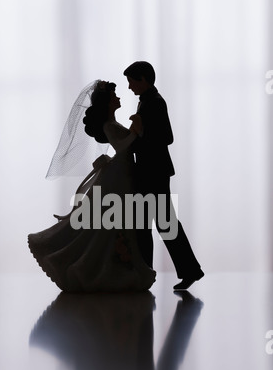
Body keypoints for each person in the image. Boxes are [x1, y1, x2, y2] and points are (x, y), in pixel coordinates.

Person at [28, 80, 156, 292]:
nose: (119, 98)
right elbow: (123, 146)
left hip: (122, 173)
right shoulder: (109, 125)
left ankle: (118, 262)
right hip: (119, 176)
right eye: (114, 96)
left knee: (115, 219)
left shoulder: (113, 123)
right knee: (110, 218)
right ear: (107, 103)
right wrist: (135, 131)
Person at [123, 61, 204, 290]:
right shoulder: (148, 101)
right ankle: (174, 271)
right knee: (153, 224)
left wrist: (140, 132)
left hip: (154, 173)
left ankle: (148, 273)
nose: (129, 87)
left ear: (143, 79)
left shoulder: (155, 103)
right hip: (151, 172)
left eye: (131, 82)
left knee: (155, 223)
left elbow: (166, 137)